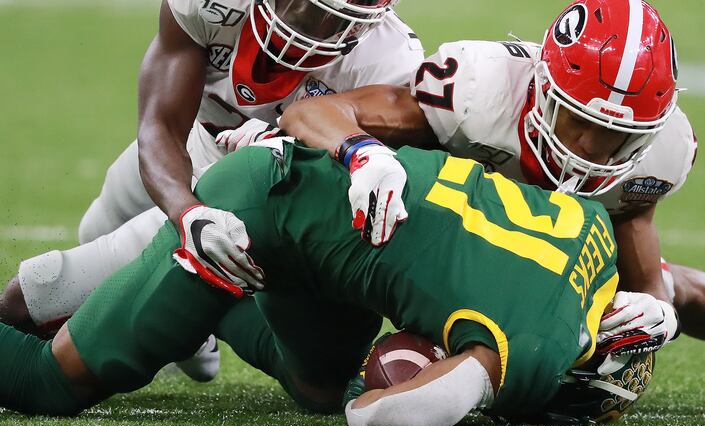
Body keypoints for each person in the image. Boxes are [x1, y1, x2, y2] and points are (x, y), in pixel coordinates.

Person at [276, 0, 705, 390]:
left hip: (539, 251)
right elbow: (309, 114)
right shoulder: (476, 93)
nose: (591, 148)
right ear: (542, 86)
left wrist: (651, 308)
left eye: (619, 138)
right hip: (445, 235)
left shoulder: (665, 151)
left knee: (661, 303)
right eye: (579, 121)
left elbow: (638, 245)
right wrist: (363, 153)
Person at [0, 140, 663, 426]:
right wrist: (464, 405)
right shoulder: (541, 349)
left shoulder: (595, 234)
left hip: (325, 225)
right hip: (255, 216)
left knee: (321, 386)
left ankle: (179, 293)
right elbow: (384, 416)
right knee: (49, 385)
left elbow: (668, 285)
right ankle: (155, 255)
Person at [0, 0, 423, 380]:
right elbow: (161, 124)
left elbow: (361, 187)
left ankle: (197, 317)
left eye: (341, 17)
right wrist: (187, 213)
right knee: (96, 226)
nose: (319, 27)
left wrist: (285, 147)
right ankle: (190, 328)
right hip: (194, 140)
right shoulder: (210, 5)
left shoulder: (388, 61)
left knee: (46, 287)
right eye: (308, 6)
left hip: (269, 193)